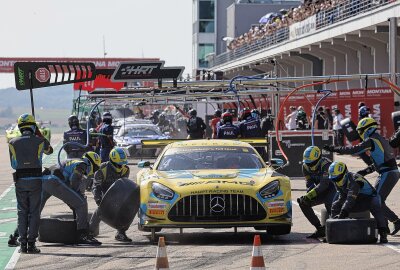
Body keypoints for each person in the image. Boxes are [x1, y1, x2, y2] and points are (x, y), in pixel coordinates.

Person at [324, 117, 400, 235]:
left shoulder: (371, 140)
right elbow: (381, 161)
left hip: (388, 173)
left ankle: (395, 221)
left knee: (376, 201)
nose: (359, 133)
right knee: (377, 199)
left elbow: (353, 150)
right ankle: (385, 225)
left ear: (366, 129)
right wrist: (364, 172)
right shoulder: (379, 139)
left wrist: (334, 148)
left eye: (360, 131)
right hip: (388, 172)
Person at [8, 113, 53, 253]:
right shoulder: (39, 140)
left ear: (20, 127)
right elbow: (49, 151)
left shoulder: (12, 143)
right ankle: (32, 244)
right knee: (34, 213)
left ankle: (22, 245)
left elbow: (14, 164)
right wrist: (39, 134)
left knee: (22, 212)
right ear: (33, 126)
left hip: (20, 181)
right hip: (36, 181)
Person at [42, 152, 102, 245]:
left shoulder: (74, 160)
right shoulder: (83, 164)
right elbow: (74, 179)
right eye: (96, 168)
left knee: (34, 210)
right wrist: (75, 198)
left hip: (44, 180)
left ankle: (18, 235)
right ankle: (83, 235)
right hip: (54, 181)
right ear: (92, 163)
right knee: (81, 203)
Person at [328, 161, 388, 243]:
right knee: (336, 205)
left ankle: (383, 232)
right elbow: (342, 197)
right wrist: (337, 213)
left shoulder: (355, 180)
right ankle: (333, 231)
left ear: (344, 173)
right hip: (357, 199)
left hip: (370, 198)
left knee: (375, 207)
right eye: (333, 179)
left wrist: (343, 213)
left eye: (337, 178)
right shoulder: (336, 182)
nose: (335, 180)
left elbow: (350, 199)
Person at [90, 147, 132, 242]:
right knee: (99, 211)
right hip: (104, 194)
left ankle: (121, 233)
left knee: (128, 209)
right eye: (118, 164)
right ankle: (90, 233)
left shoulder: (126, 169)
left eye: (122, 164)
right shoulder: (102, 169)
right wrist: (98, 199)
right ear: (112, 161)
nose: (121, 167)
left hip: (118, 194)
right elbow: (96, 185)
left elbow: (125, 186)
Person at [297, 146, 336, 238]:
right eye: (308, 163)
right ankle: (320, 229)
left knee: (329, 203)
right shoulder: (305, 166)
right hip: (319, 191)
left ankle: (333, 231)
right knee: (303, 203)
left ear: (318, 158)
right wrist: (308, 196)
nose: (310, 165)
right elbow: (309, 183)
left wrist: (310, 194)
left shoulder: (326, 165)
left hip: (333, 189)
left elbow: (324, 184)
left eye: (312, 163)